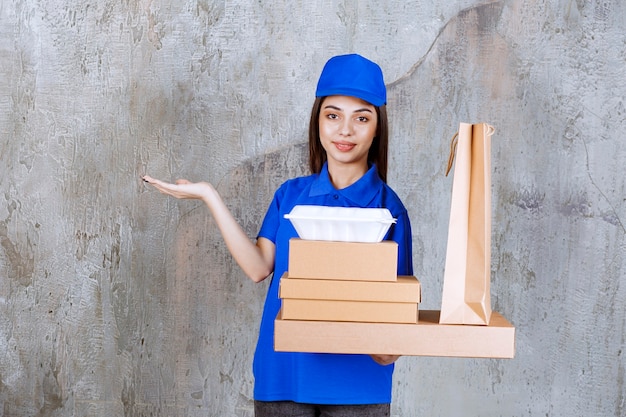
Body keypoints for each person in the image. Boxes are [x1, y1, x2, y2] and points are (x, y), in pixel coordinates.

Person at [143, 53, 413, 417]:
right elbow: (258, 267)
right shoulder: (290, 196)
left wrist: (389, 343)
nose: (345, 130)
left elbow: (397, 316)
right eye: (333, 115)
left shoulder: (390, 211)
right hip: (283, 375)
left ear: (377, 127)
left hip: (358, 385)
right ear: (317, 120)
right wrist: (210, 196)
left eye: (361, 118)